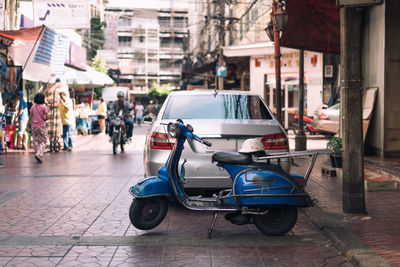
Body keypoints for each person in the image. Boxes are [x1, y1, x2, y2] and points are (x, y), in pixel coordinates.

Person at [29, 93, 50, 163]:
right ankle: (39, 153)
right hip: (42, 126)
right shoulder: (44, 107)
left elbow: (30, 117)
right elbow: (47, 117)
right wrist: (44, 118)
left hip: (34, 127)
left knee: (35, 140)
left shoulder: (33, 107)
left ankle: (36, 152)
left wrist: (27, 125)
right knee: (43, 141)